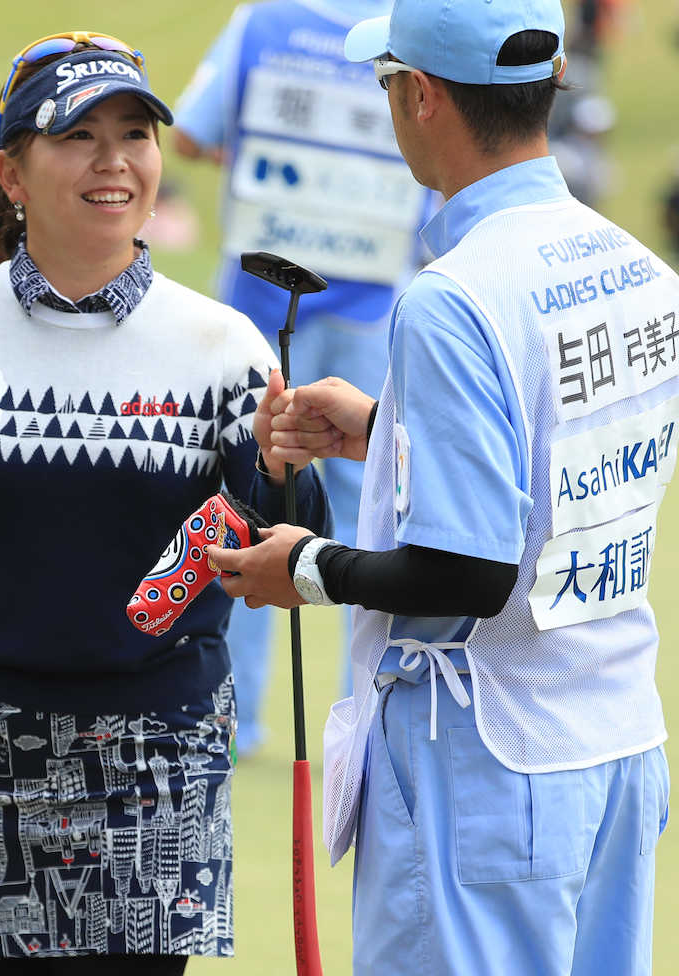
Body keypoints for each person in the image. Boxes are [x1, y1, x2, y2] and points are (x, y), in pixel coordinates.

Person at [0, 30, 330, 973]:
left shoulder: (226, 347)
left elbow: (290, 540)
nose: (114, 160)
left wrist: (276, 464)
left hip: (157, 751)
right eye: (77, 135)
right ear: (12, 170)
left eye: (134, 132)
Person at [205, 1, 679, 973]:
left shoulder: (454, 296)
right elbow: (554, 473)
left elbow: (469, 571)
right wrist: (386, 432)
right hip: (616, 744)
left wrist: (304, 568)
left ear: (421, 95)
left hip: (485, 766)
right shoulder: (638, 268)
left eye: (386, 83)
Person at [172, 0, 434, 756]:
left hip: (258, 302)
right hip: (372, 302)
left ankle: (239, 722)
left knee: (247, 496)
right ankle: (374, 713)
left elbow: (190, 131)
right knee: (375, 510)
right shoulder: (406, 26)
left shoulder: (262, 20)